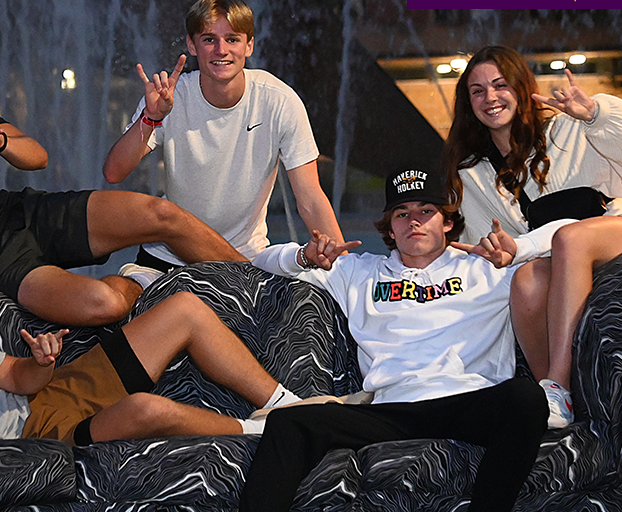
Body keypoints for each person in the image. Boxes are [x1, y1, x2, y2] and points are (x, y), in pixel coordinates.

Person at [0, 16, 244, 327]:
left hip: (20, 214)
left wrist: (0, 142)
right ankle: (145, 280)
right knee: (106, 304)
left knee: (161, 214)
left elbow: (37, 156)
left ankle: (261, 288)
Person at [240, 165, 568, 512]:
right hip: (390, 411)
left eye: (426, 211)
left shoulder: (488, 269)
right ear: (391, 229)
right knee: (287, 422)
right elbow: (261, 260)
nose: (414, 220)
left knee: (526, 397)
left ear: (446, 222)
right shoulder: (358, 272)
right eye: (402, 213)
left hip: (469, 402)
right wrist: (305, 256)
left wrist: (519, 248)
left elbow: (572, 229)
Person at [0, 252, 306, 447]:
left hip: (49, 395)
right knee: (145, 410)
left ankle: (288, 403)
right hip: (34, 442)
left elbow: (18, 379)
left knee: (183, 308)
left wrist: (42, 362)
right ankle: (260, 430)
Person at [442, 44, 622, 429]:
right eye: (477, 91)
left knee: (572, 238)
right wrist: (495, 252)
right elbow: (491, 245)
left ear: (520, 87)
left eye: (500, 85)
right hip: (558, 257)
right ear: (468, 102)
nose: (490, 98)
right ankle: (559, 406)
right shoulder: (472, 172)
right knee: (527, 281)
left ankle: (556, 384)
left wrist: (594, 113)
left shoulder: (566, 124)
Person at [103, 0, 342, 286]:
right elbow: (114, 172)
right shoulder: (170, 96)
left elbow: (310, 197)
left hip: (241, 261)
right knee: (113, 302)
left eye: (232, 39)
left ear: (249, 45)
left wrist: (343, 272)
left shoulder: (278, 100)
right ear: (192, 45)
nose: (221, 50)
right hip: (167, 258)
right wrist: (151, 118)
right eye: (208, 39)